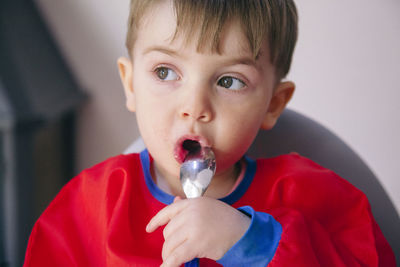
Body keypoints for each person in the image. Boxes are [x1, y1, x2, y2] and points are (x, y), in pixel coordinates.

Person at [24, 0, 396, 266]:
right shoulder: (90, 207)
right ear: (131, 83)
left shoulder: (311, 196)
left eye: (229, 80)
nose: (194, 106)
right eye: (166, 72)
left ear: (273, 104)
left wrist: (253, 243)